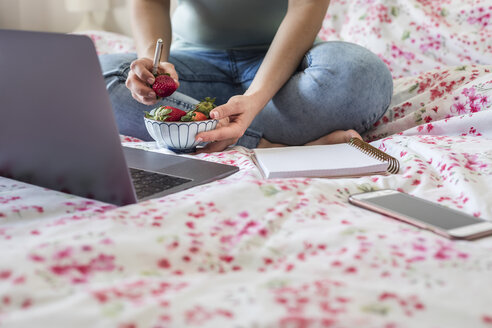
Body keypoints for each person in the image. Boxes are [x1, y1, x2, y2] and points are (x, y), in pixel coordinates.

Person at [100, 0, 393, 153]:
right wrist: (156, 64)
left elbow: (307, 5)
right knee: (96, 77)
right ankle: (268, 145)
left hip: (283, 67)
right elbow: (150, 2)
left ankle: (215, 130)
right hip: (193, 68)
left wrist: (254, 98)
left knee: (361, 74)